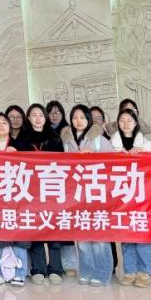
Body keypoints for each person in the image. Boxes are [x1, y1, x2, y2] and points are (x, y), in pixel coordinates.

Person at [61, 104, 113, 286]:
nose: (78, 121)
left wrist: (94, 155)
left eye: (82, 117)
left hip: (97, 192)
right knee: (82, 234)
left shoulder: (99, 139)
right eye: (75, 117)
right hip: (77, 194)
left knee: (99, 235)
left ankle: (103, 272)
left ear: (88, 119)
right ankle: (87, 270)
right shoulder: (66, 140)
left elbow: (113, 163)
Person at [111, 109, 151, 288]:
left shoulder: (146, 144)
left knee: (143, 232)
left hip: (143, 195)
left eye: (129, 120)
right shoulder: (112, 144)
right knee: (126, 233)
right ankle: (129, 271)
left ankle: (145, 271)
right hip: (122, 195)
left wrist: (144, 152)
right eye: (122, 120)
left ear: (136, 123)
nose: (126, 123)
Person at [0, 113, 31, 287]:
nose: (1, 125)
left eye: (4, 122)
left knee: (19, 235)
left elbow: (32, 167)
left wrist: (19, 154)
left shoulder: (21, 144)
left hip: (17, 197)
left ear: (10, 127)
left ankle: (20, 273)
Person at [23, 103, 63, 284]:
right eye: (34, 115)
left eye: (41, 115)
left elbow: (63, 163)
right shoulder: (22, 138)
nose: (38, 118)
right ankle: (38, 268)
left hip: (52, 188)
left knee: (53, 228)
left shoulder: (55, 137)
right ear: (28, 118)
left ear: (45, 118)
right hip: (31, 190)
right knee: (36, 228)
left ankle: (56, 268)